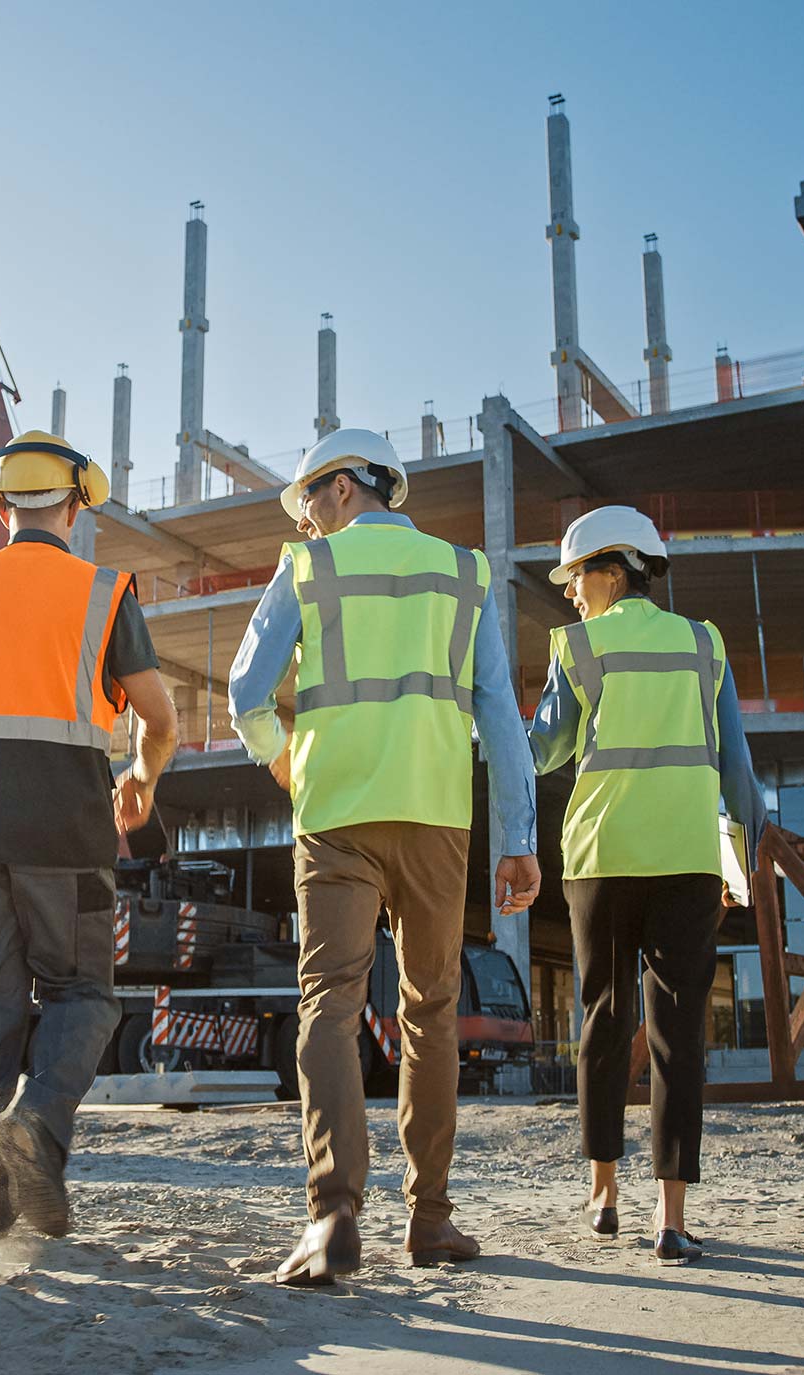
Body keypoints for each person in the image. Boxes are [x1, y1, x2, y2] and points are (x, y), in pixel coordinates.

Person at [229, 428, 540, 1286]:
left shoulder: (308, 569)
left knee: (328, 1006)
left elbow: (244, 690)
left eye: (308, 506)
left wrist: (283, 758)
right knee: (430, 1011)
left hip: (334, 816)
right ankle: (430, 1219)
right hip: (438, 818)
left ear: (337, 490)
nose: (309, 525)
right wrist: (518, 839)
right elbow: (500, 718)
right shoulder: (464, 573)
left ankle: (333, 1215)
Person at [0, 431, 178, 1252]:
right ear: (77, 502)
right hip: (69, 834)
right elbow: (161, 719)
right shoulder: (104, 591)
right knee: (82, 995)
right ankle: (40, 1123)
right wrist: (142, 780)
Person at [527, 505, 766, 1266]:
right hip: (687, 856)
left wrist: (484, 709)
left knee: (601, 1016)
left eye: (576, 577)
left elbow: (542, 751)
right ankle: (670, 1217)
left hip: (601, 856)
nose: (570, 593)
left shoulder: (578, 647)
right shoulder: (704, 643)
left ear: (614, 569)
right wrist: (740, 861)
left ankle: (602, 1193)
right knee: (678, 1033)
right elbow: (739, 771)